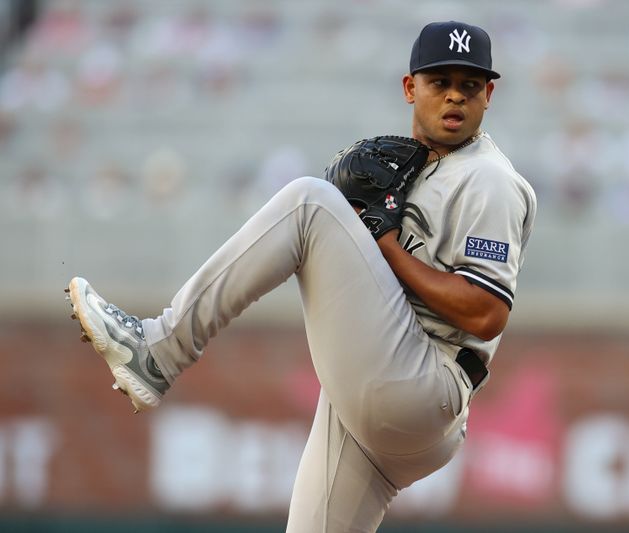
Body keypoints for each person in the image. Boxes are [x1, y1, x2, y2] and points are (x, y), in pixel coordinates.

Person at [66, 20, 536, 532]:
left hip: (428, 385)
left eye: (469, 85)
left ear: (488, 94)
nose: (454, 97)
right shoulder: (419, 168)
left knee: (310, 203)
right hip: (390, 397)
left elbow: (486, 312)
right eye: (439, 81)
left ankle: (160, 350)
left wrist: (386, 250)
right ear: (410, 88)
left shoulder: (488, 178)